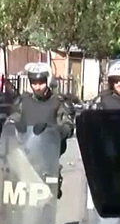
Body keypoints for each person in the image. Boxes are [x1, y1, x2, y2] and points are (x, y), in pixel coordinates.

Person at [7, 62, 74, 197]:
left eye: (41, 83)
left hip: (48, 159)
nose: (37, 87)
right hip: (25, 159)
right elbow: (12, 119)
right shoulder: (23, 102)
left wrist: (55, 131)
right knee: (21, 201)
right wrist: (12, 126)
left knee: (46, 201)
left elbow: (68, 126)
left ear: (48, 81)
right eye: (34, 83)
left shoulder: (59, 102)